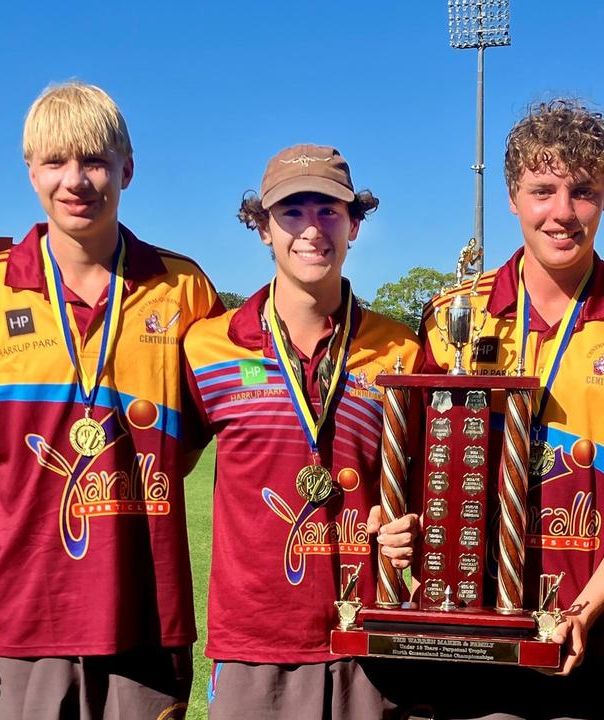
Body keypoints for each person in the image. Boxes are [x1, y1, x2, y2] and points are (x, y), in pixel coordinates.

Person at [0, 81, 222, 719]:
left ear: (127, 169)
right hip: (21, 619)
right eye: (56, 162)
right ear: (30, 169)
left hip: (147, 612)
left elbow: (195, 440)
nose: (76, 181)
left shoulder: (185, 290)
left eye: (95, 161)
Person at [408, 99, 604, 720]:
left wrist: (583, 610)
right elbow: (417, 471)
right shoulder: (452, 317)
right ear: (513, 195)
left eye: (583, 191)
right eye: (542, 190)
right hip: (480, 626)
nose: (562, 212)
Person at [182, 144, 422, 719]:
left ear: (355, 225)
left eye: (329, 211)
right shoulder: (207, 346)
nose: (311, 230)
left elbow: (433, 487)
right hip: (253, 646)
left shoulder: (404, 352)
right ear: (262, 227)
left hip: (373, 635)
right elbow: (164, 470)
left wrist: (414, 527)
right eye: (291, 212)